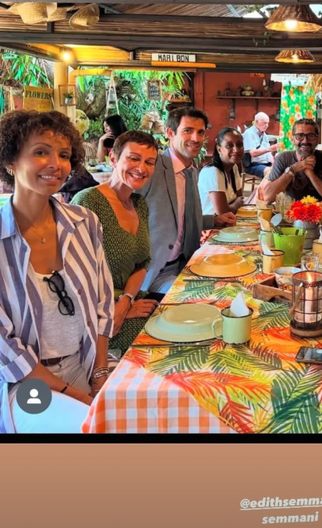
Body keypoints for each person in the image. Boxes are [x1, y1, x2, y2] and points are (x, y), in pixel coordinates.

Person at [0, 111, 115, 434]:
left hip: (83, 365)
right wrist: (75, 395)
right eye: (40, 152)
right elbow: (5, 349)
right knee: (90, 429)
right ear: (10, 161)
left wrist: (100, 373)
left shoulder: (84, 222)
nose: (56, 164)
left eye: (64, 155)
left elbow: (103, 303)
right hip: (23, 385)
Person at [72, 131, 159, 355]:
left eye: (149, 162)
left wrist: (127, 300)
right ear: (113, 158)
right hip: (95, 317)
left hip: (129, 302)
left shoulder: (140, 204)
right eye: (133, 158)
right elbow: (71, 275)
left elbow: (143, 263)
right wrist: (114, 310)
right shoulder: (88, 202)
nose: (142, 168)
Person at [140, 105, 236, 296]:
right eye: (188, 131)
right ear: (170, 133)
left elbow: (181, 216)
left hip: (186, 263)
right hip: (154, 272)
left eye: (200, 132)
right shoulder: (152, 167)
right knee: (210, 296)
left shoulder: (191, 171)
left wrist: (213, 220)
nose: (196, 138)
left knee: (232, 278)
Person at [262, 118, 322, 207]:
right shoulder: (283, 158)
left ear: (317, 139)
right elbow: (267, 197)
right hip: (287, 213)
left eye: (310, 136)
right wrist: (293, 169)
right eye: (299, 136)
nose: (305, 141)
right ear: (292, 139)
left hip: (317, 214)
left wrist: (310, 173)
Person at [199, 128, 245, 216]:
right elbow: (223, 213)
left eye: (239, 145)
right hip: (212, 226)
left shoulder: (233, 167)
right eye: (229, 145)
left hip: (229, 222)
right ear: (219, 149)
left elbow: (240, 198)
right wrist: (235, 205)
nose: (236, 149)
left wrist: (233, 205)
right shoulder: (212, 172)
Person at [243, 112, 278, 178]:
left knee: (282, 170)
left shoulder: (264, 135)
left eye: (268, 123)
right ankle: (265, 188)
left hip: (266, 164)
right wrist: (269, 149)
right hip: (253, 165)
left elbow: (268, 154)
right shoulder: (249, 133)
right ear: (256, 122)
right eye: (264, 123)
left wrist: (274, 159)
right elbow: (253, 153)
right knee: (271, 172)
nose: (267, 125)